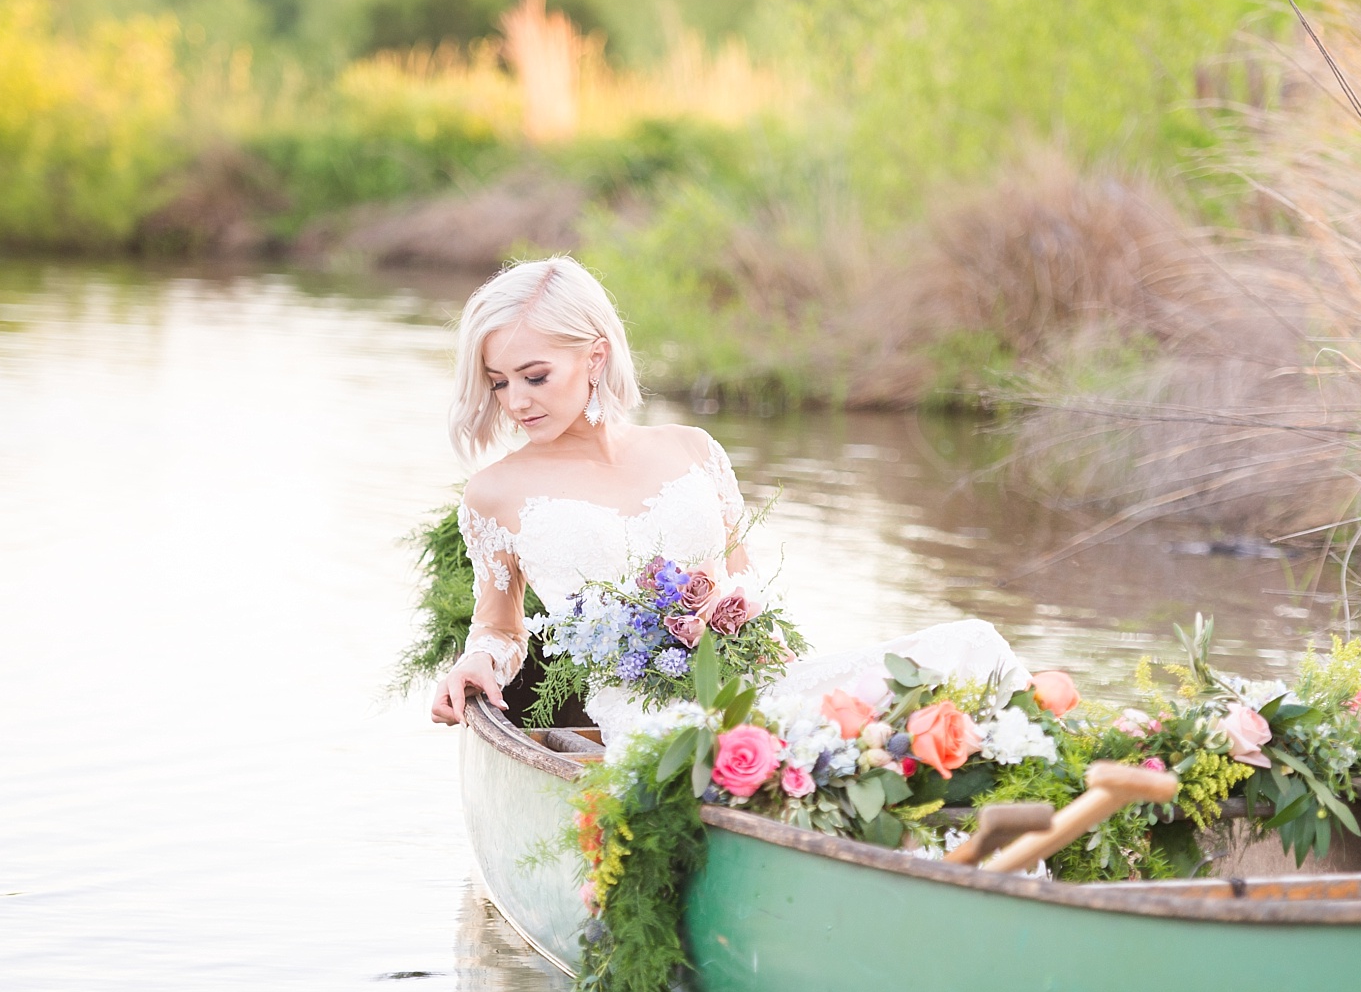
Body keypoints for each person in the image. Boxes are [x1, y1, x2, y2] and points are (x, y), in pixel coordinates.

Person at [430, 256, 1028, 739]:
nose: (516, 401)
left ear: (595, 355)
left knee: (973, 645)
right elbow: (500, 629)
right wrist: (478, 662)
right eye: (498, 381)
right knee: (721, 738)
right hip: (652, 716)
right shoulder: (494, 493)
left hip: (750, 680)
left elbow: (747, 585)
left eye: (534, 377)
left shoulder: (692, 451)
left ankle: (1049, 812)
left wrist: (762, 644)